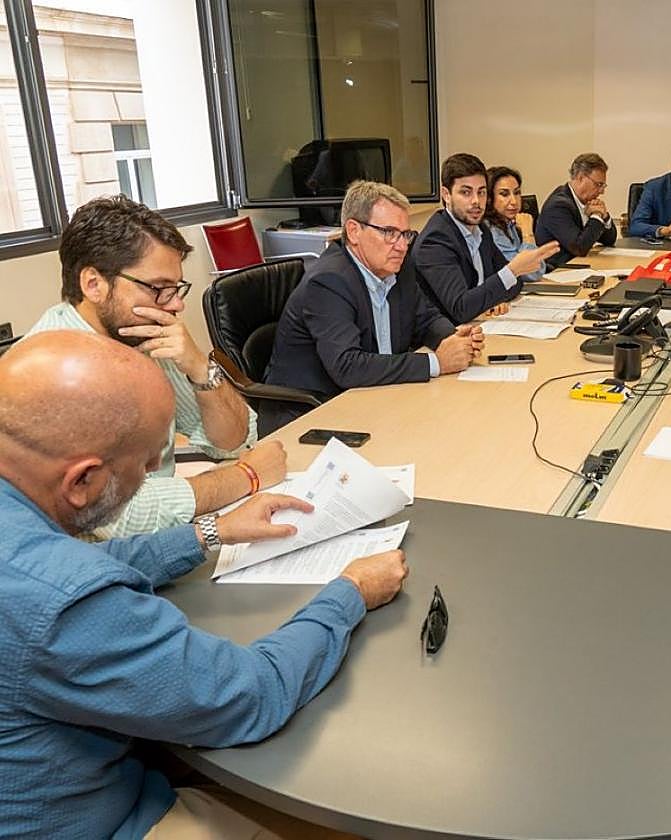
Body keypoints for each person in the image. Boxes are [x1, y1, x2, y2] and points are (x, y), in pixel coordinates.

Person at [0, 330, 409, 838]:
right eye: (147, 465)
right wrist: (349, 592)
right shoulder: (65, 605)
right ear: (82, 481)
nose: (152, 472)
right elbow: (250, 695)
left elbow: (75, 562)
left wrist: (211, 531)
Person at [24, 195, 284, 539]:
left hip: (158, 537)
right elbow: (118, 517)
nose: (175, 305)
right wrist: (245, 476)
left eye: (177, 288)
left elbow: (233, 442)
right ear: (93, 284)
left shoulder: (143, 338)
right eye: (159, 288)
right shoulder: (55, 374)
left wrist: (198, 368)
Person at [264, 180, 484, 430]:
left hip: (377, 398)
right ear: (354, 231)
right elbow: (347, 366)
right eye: (389, 233)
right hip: (313, 416)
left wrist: (453, 337)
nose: (401, 246)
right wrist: (437, 363)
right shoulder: (329, 281)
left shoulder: (396, 267)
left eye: (405, 234)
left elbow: (426, 319)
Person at [413, 153, 558, 324]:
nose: (476, 201)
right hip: (451, 338)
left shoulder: (480, 229)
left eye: (481, 192)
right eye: (466, 192)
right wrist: (511, 272)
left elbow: (515, 284)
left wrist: (491, 299)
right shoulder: (435, 241)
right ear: (446, 194)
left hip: (483, 326)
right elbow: (461, 308)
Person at [534, 152, 618, 268]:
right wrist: (596, 216)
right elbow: (579, 247)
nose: (601, 191)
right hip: (558, 272)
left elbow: (609, 240)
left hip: (580, 265)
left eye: (603, 186)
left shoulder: (585, 201)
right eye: (598, 185)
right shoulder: (558, 206)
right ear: (581, 178)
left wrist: (604, 216)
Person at [484, 165, 547, 284]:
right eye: (504, 194)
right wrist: (527, 232)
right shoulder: (491, 229)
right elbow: (530, 273)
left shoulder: (509, 224)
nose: (514, 201)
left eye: (517, 193)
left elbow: (539, 268)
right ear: (489, 198)